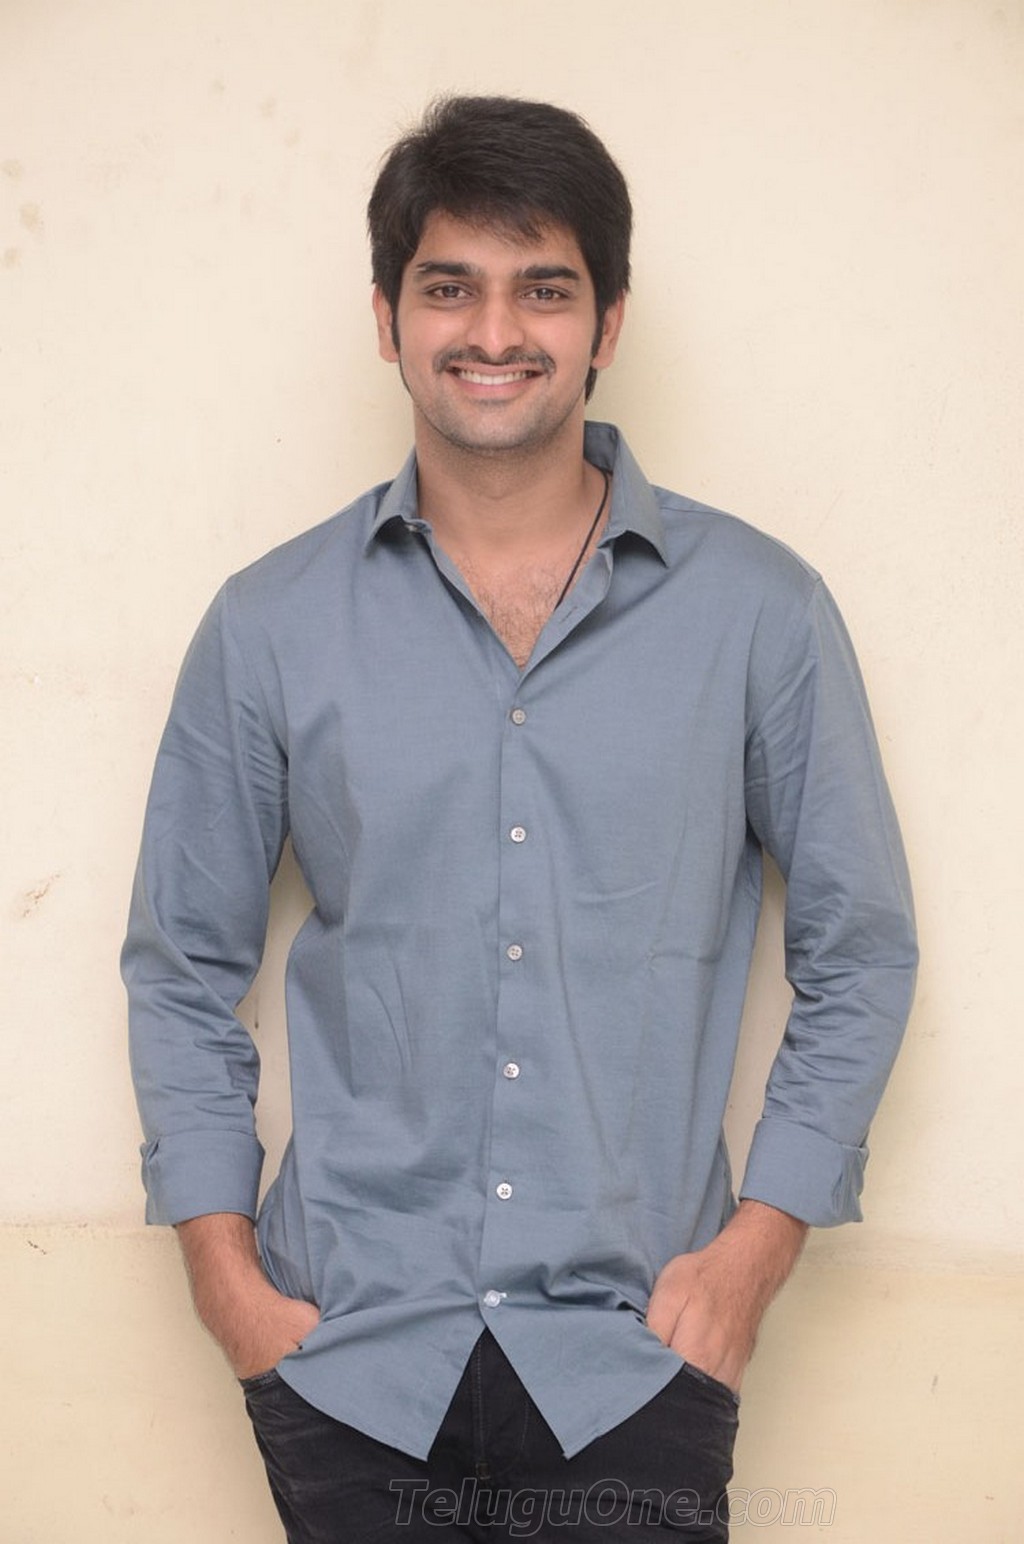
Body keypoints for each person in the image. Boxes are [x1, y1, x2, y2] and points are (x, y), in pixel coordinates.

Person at [123, 96, 917, 1543]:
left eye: (543, 288)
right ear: (387, 318)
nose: (495, 331)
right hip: (347, 1356)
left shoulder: (761, 614)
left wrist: (752, 1257)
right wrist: (227, 1286)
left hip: (635, 1360)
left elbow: (860, 952)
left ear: (609, 319)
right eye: (451, 287)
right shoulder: (270, 624)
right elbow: (181, 967)